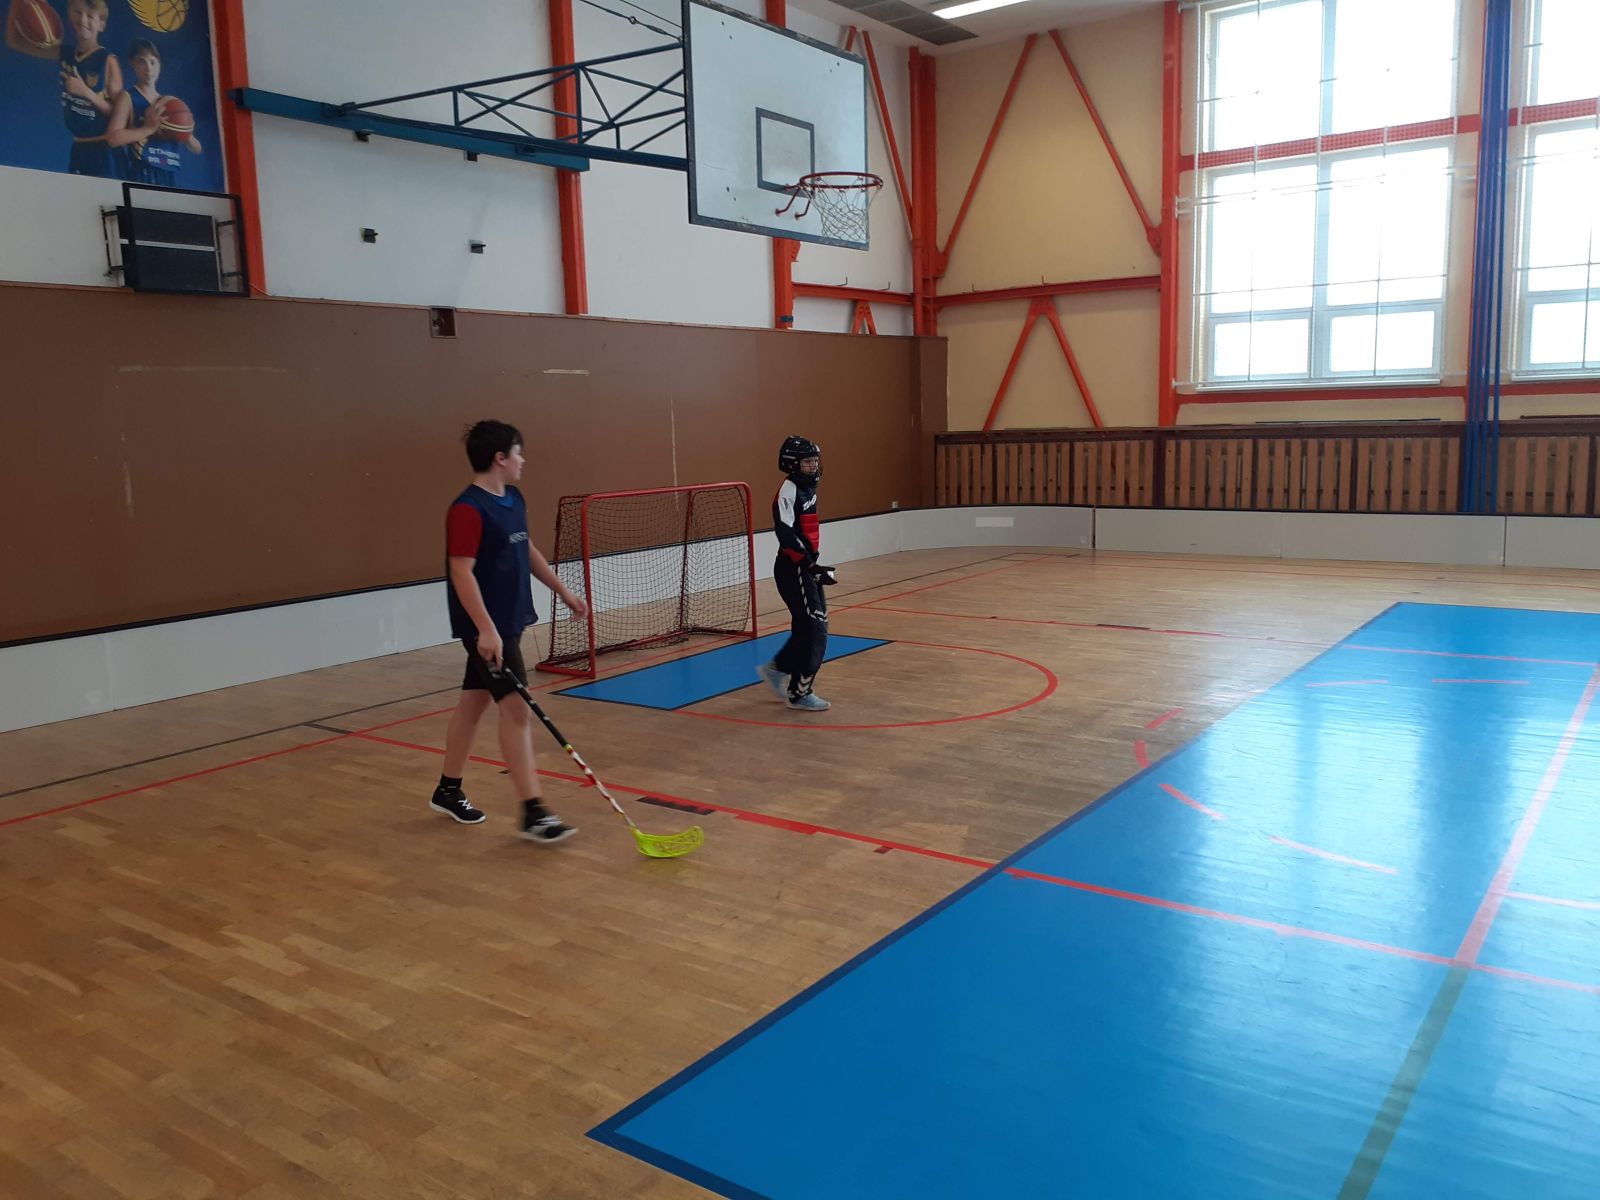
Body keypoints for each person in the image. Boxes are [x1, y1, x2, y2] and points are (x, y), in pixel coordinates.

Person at [431, 420, 590, 844]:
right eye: (518, 452)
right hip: (488, 630)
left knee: (473, 702)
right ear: (500, 458)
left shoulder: (514, 499)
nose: (523, 460)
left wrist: (563, 592)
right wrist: (485, 630)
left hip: (509, 623)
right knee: (517, 711)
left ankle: (448, 790)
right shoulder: (467, 510)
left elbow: (527, 549)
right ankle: (533, 812)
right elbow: (461, 572)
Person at [757, 435, 836, 712]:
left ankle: (778, 668)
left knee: (807, 627)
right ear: (792, 464)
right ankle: (799, 693)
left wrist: (813, 565)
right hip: (794, 569)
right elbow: (786, 534)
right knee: (816, 632)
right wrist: (808, 565)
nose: (813, 466)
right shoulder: (788, 491)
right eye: (807, 462)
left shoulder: (807, 488)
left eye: (815, 461)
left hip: (805, 567)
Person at [106, 38, 202, 185]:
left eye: (152, 62)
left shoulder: (170, 103)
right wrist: (148, 129)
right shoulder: (128, 97)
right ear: (133, 64)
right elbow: (113, 139)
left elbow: (197, 149)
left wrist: (187, 134)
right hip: (144, 173)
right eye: (142, 62)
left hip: (169, 175)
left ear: (159, 65)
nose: (148, 68)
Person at [58, 0, 121, 178]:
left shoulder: (108, 60)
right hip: (78, 146)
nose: (83, 20)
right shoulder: (64, 54)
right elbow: (17, 43)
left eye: (91, 16)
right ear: (70, 15)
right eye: (78, 13)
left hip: (103, 150)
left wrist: (86, 92)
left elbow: (119, 115)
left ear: (101, 24)